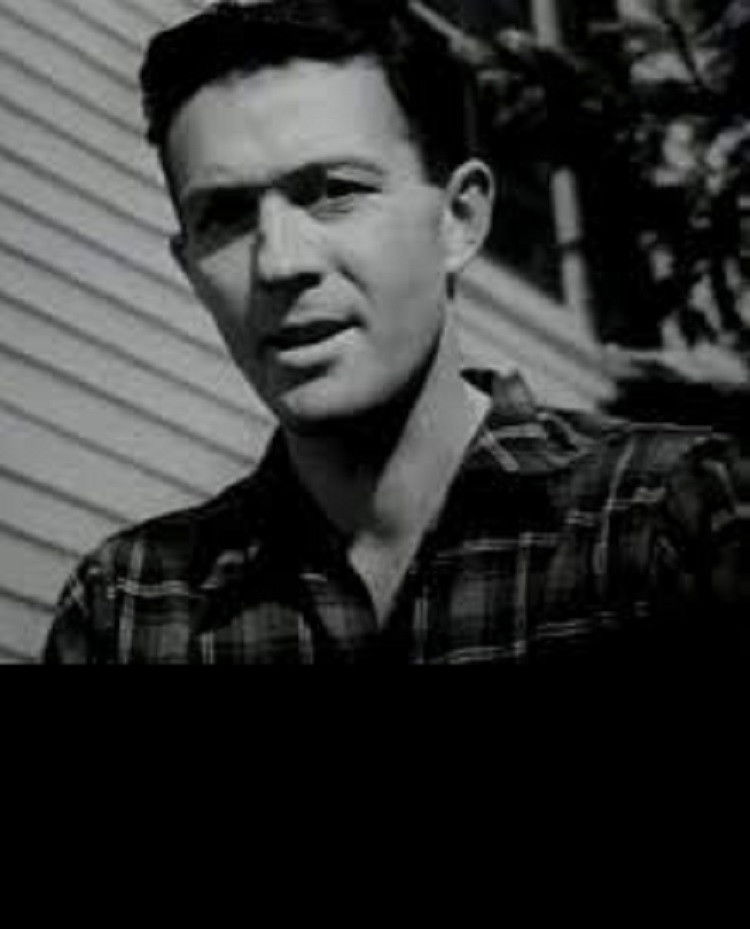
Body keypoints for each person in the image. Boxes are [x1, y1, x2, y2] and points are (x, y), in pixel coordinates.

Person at [42, 0, 747, 668]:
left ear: (459, 220)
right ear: (190, 268)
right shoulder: (131, 611)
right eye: (225, 216)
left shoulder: (668, 516)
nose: (280, 263)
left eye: (336, 191)